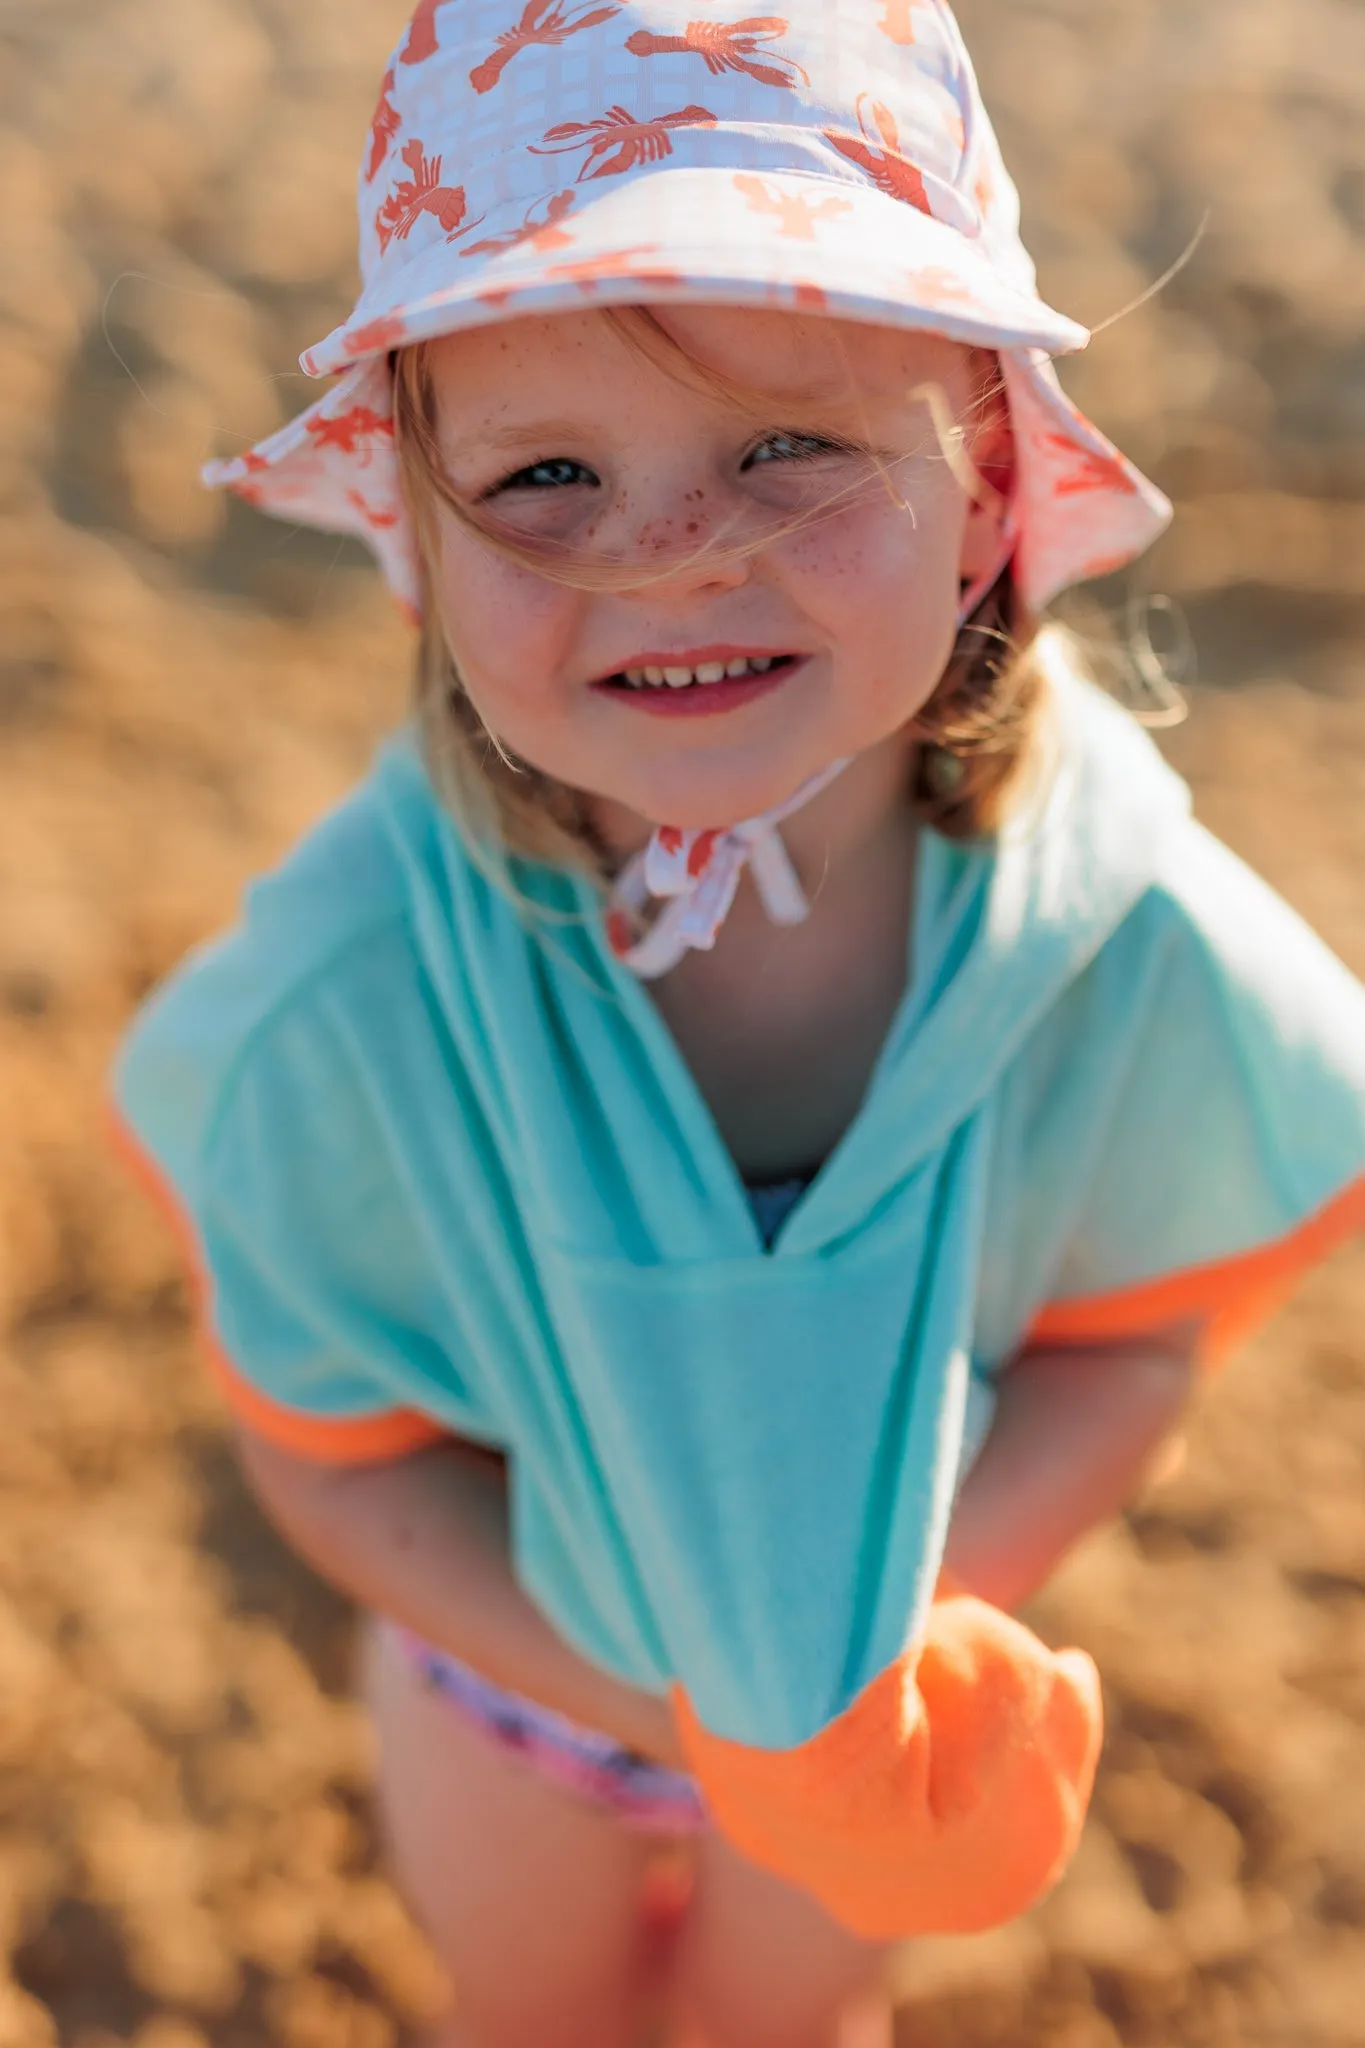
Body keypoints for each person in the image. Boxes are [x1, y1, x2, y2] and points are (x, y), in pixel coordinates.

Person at [110, 0, 1365, 2042]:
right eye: (542, 473)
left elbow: (1129, 1337)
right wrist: (685, 1703)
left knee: (781, 2023)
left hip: (891, 1696)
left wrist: (845, 1667)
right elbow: (336, 1455)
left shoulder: (1095, 924)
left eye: (788, 443)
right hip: (515, 1691)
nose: (676, 556)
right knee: (539, 2014)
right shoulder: (371, 987)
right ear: (417, 544)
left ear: (978, 493)